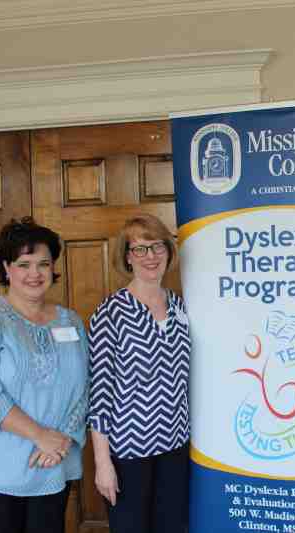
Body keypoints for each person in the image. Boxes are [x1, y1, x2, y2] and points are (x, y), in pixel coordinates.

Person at [0, 217, 89, 533]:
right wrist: (40, 435)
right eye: (24, 264)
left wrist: (60, 440)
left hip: (51, 462)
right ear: (6, 269)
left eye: (43, 264)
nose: (34, 273)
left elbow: (84, 385)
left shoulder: (71, 321)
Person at [88, 214, 190, 533]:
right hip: (129, 453)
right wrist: (103, 464)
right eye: (140, 249)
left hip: (176, 445)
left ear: (169, 253)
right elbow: (100, 394)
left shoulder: (180, 306)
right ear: (128, 257)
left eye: (157, 246)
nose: (151, 256)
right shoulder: (111, 313)